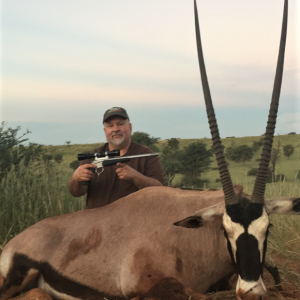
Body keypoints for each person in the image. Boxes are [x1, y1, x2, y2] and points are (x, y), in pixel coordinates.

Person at [68, 107, 164, 208]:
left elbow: (160, 191)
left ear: (130, 127)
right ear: (105, 131)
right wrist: (76, 180)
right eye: (110, 126)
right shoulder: (93, 156)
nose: (116, 129)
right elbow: (77, 193)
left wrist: (136, 177)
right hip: (97, 222)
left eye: (120, 124)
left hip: (134, 222)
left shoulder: (146, 154)